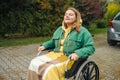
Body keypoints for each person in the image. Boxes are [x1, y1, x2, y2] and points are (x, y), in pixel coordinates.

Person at [26, 7, 95, 80]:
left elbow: (90, 48)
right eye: (66, 14)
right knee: (34, 62)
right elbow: (53, 41)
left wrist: (77, 53)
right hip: (55, 54)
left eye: (71, 15)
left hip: (69, 58)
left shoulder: (82, 31)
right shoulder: (59, 29)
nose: (67, 16)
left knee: (49, 69)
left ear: (76, 18)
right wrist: (45, 45)